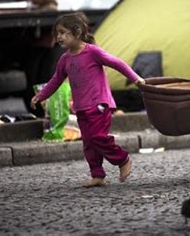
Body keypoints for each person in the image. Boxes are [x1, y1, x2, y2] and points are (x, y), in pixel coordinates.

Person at [30, 12, 145, 188]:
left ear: (76, 32)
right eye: (57, 33)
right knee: (89, 144)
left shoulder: (93, 52)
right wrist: (41, 95)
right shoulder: (65, 59)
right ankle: (97, 175)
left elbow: (117, 63)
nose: (58, 37)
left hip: (99, 104)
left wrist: (136, 78)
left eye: (62, 32)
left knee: (98, 137)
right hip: (81, 107)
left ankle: (122, 159)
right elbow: (56, 80)